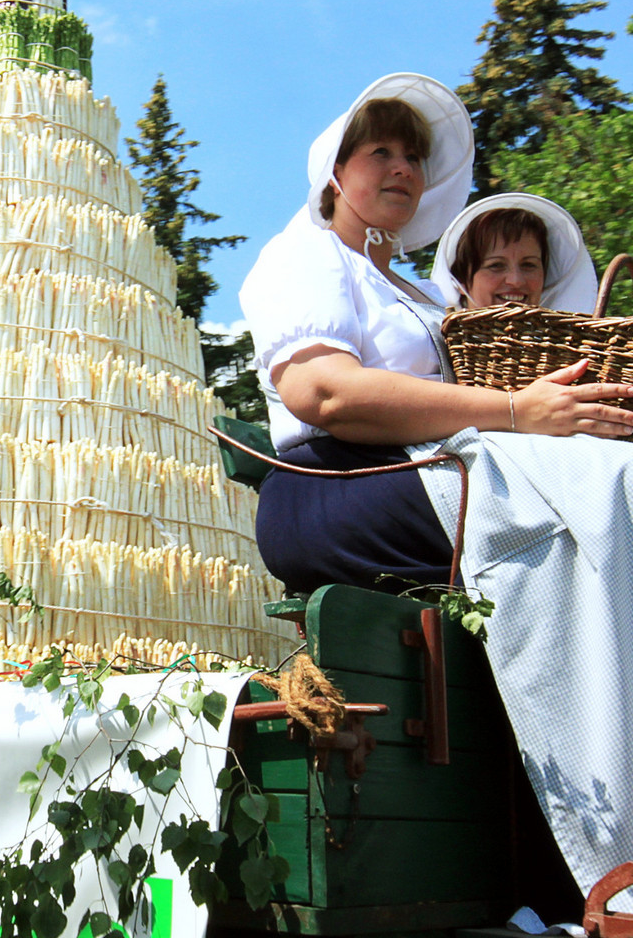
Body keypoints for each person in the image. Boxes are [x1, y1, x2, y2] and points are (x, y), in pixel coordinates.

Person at [240, 72, 633, 910]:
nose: (402, 169)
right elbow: (327, 396)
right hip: (333, 489)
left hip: (415, 475)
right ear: (335, 172)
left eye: (414, 156)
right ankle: (605, 859)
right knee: (575, 507)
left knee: (609, 479)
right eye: (379, 150)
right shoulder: (305, 257)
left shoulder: (413, 290)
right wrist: (518, 413)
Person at [430, 192, 597, 312]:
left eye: (529, 265)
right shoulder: (432, 354)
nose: (515, 280)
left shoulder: (566, 354)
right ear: (461, 281)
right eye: (496, 265)